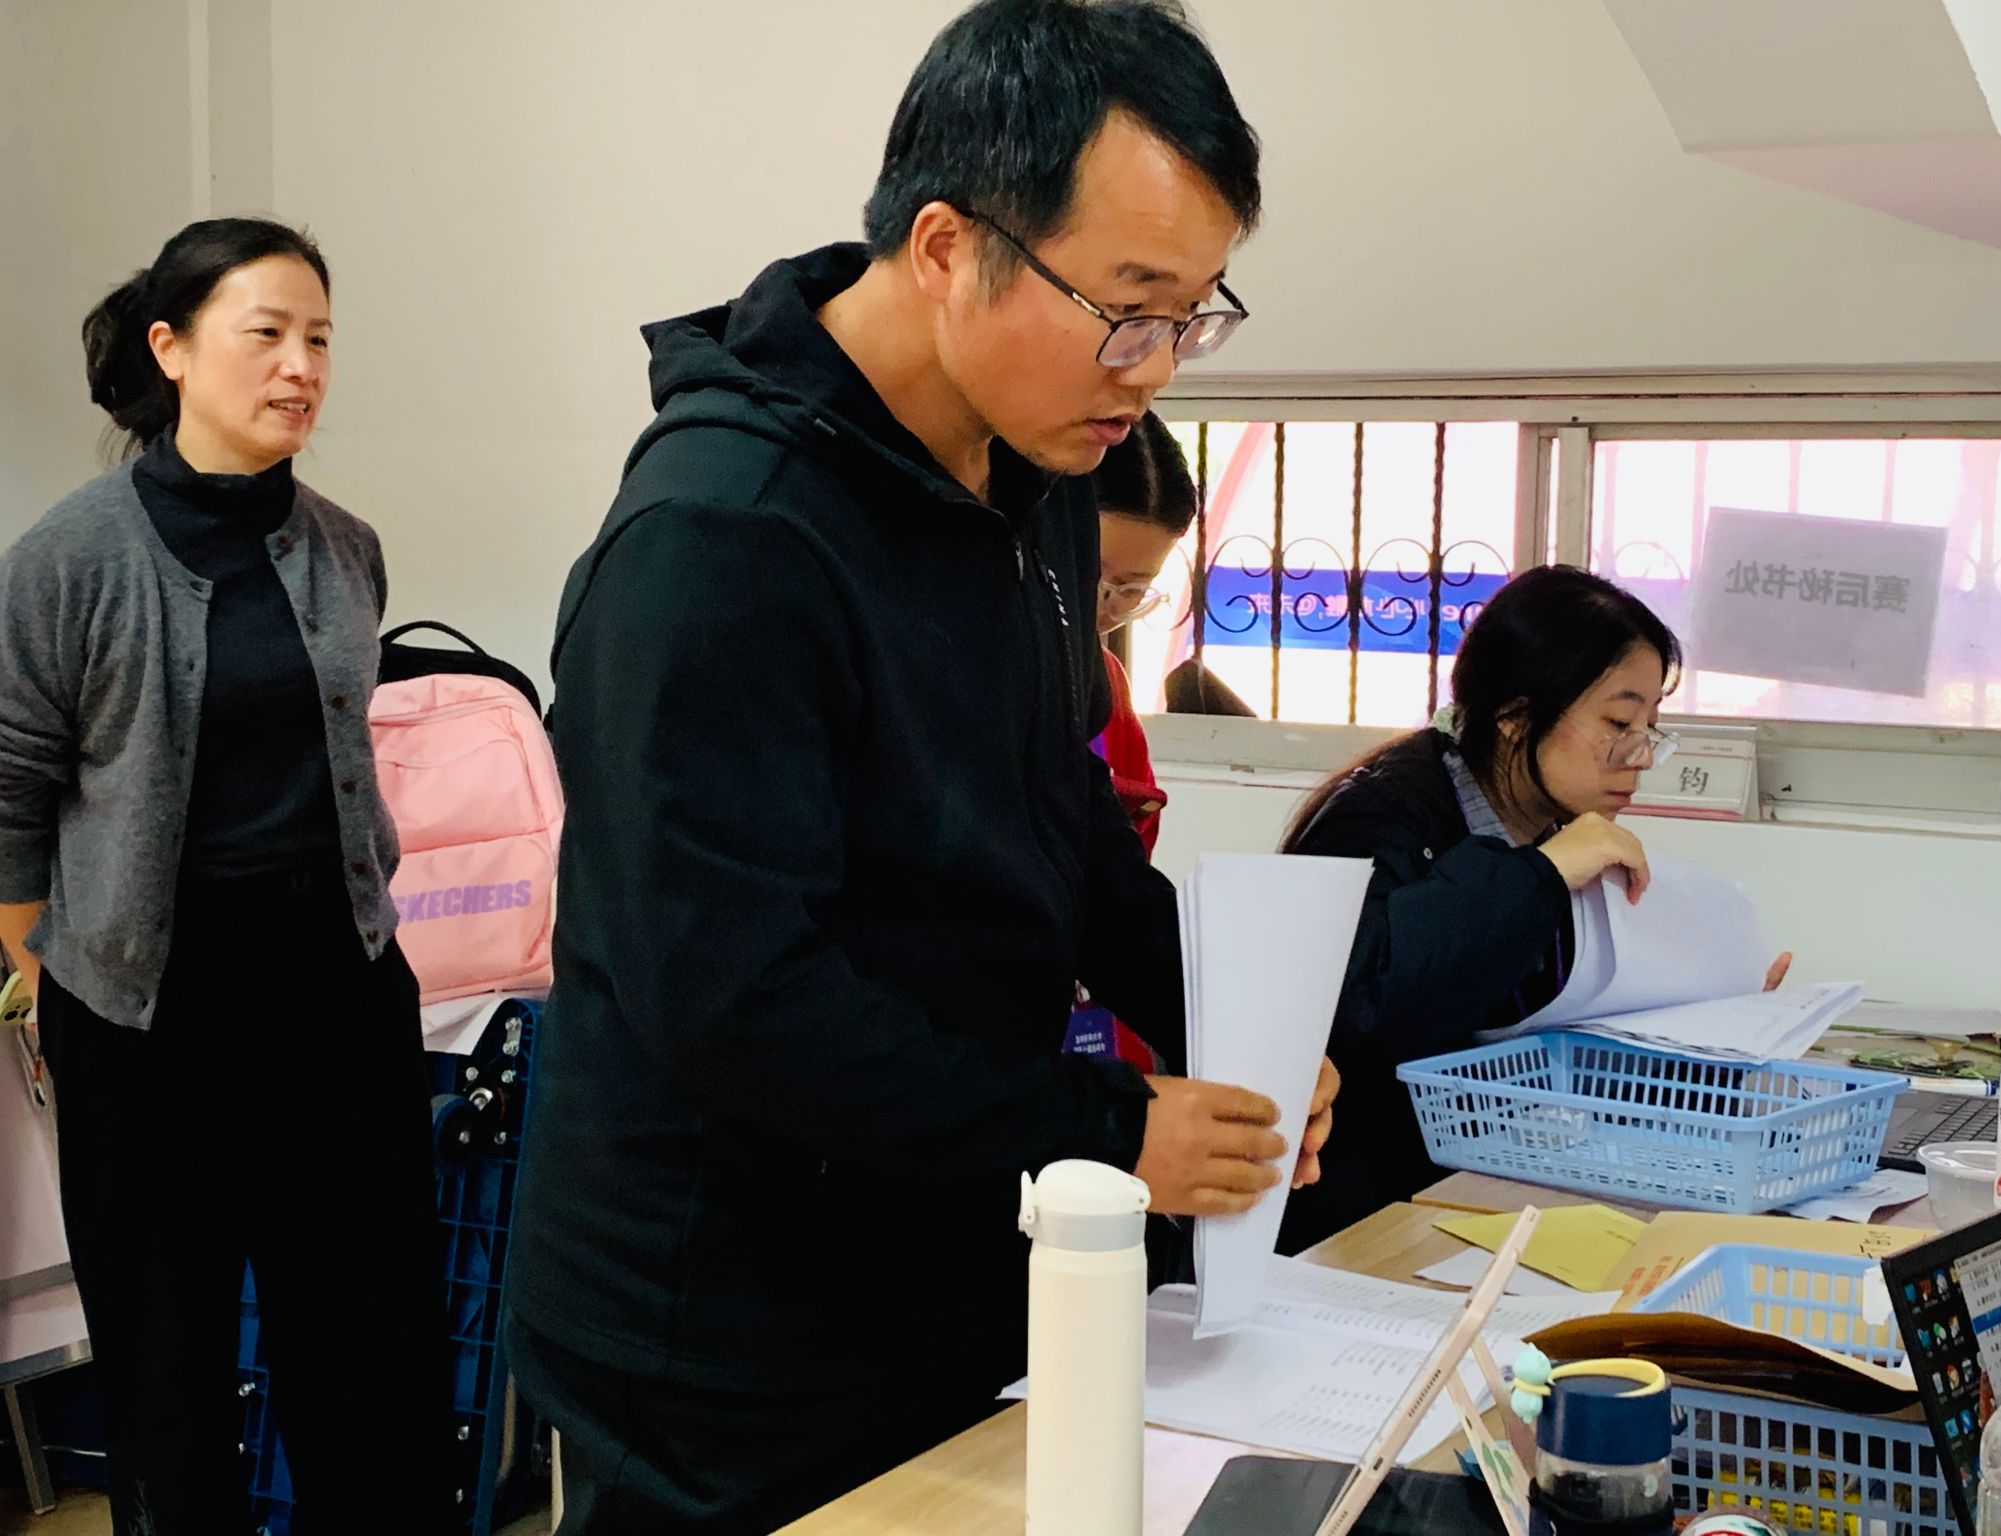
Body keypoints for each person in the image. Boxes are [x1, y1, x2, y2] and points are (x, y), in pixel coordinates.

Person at [505, 3, 1337, 1531]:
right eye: (1127, 309)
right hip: (729, 1343)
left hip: (947, 1243)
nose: (1152, 369)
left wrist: (1236, 1034)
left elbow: (1056, 811)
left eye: (1192, 315)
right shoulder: (721, 538)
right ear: (949, 247)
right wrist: (1109, 1133)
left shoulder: (1040, 466)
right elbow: (731, 995)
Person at [0, 219, 451, 1534]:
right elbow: (10, 788)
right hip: (148, 1017)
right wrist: (46, 976)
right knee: (169, 1372)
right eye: (267, 334)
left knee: (370, 1356)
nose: (301, 366)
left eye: (320, 339)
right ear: (172, 348)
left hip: (338, 992)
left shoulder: (347, 546)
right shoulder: (67, 560)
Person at [1274, 565, 1792, 1254]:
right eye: (1619, 723)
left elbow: (1549, 1034)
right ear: (1515, 718)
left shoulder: (1549, 832)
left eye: (1650, 728)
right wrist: (1542, 875)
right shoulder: (1377, 819)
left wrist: (1720, 1026)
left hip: (1479, 1187)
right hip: (1353, 1213)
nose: (1641, 756)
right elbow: (1370, 1008)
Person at [1089, 410, 1196, 856]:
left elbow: (1138, 847)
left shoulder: (1108, 681)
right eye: (1091, 576)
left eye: (1131, 589)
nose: (1104, 607)